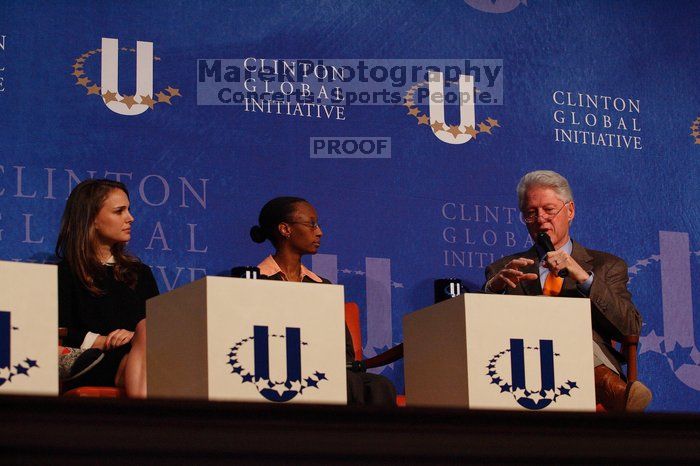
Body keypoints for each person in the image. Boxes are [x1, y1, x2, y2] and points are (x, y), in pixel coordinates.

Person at [484, 170, 652, 412]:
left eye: (549, 210)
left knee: (570, 326)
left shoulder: (606, 265)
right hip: (520, 365)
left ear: (569, 211)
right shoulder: (504, 268)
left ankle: (610, 387)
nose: (540, 219)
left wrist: (584, 278)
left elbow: (629, 327)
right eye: (530, 213)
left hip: (583, 359)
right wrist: (493, 289)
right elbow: (477, 331)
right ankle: (613, 391)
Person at [251, 197, 397, 406]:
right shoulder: (253, 280)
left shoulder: (323, 286)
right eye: (311, 224)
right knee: (344, 384)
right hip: (274, 369)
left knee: (379, 385)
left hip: (325, 369)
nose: (319, 232)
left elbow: (344, 350)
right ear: (285, 229)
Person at [56, 179, 158, 398]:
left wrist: (134, 336)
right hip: (93, 360)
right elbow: (56, 332)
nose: (130, 218)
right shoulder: (65, 273)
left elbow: (157, 331)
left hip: (139, 358)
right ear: (92, 219)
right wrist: (101, 340)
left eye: (128, 210)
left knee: (149, 331)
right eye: (119, 211)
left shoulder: (141, 273)